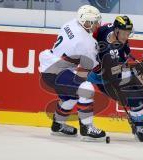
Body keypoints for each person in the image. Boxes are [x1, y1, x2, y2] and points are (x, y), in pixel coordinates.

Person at [87, 16, 143, 142]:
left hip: (117, 70)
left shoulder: (108, 28)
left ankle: (139, 124)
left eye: (129, 32)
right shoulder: (107, 50)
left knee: (141, 93)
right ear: (116, 31)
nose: (127, 36)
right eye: (124, 33)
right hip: (103, 78)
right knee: (133, 98)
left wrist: (130, 60)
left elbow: (98, 30)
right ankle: (141, 127)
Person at [39, 5, 106, 139]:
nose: (96, 24)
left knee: (71, 96)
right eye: (93, 22)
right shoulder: (87, 42)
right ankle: (87, 128)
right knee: (86, 88)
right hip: (56, 70)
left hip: (49, 66)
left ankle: (58, 125)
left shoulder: (70, 23)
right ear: (85, 22)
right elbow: (93, 65)